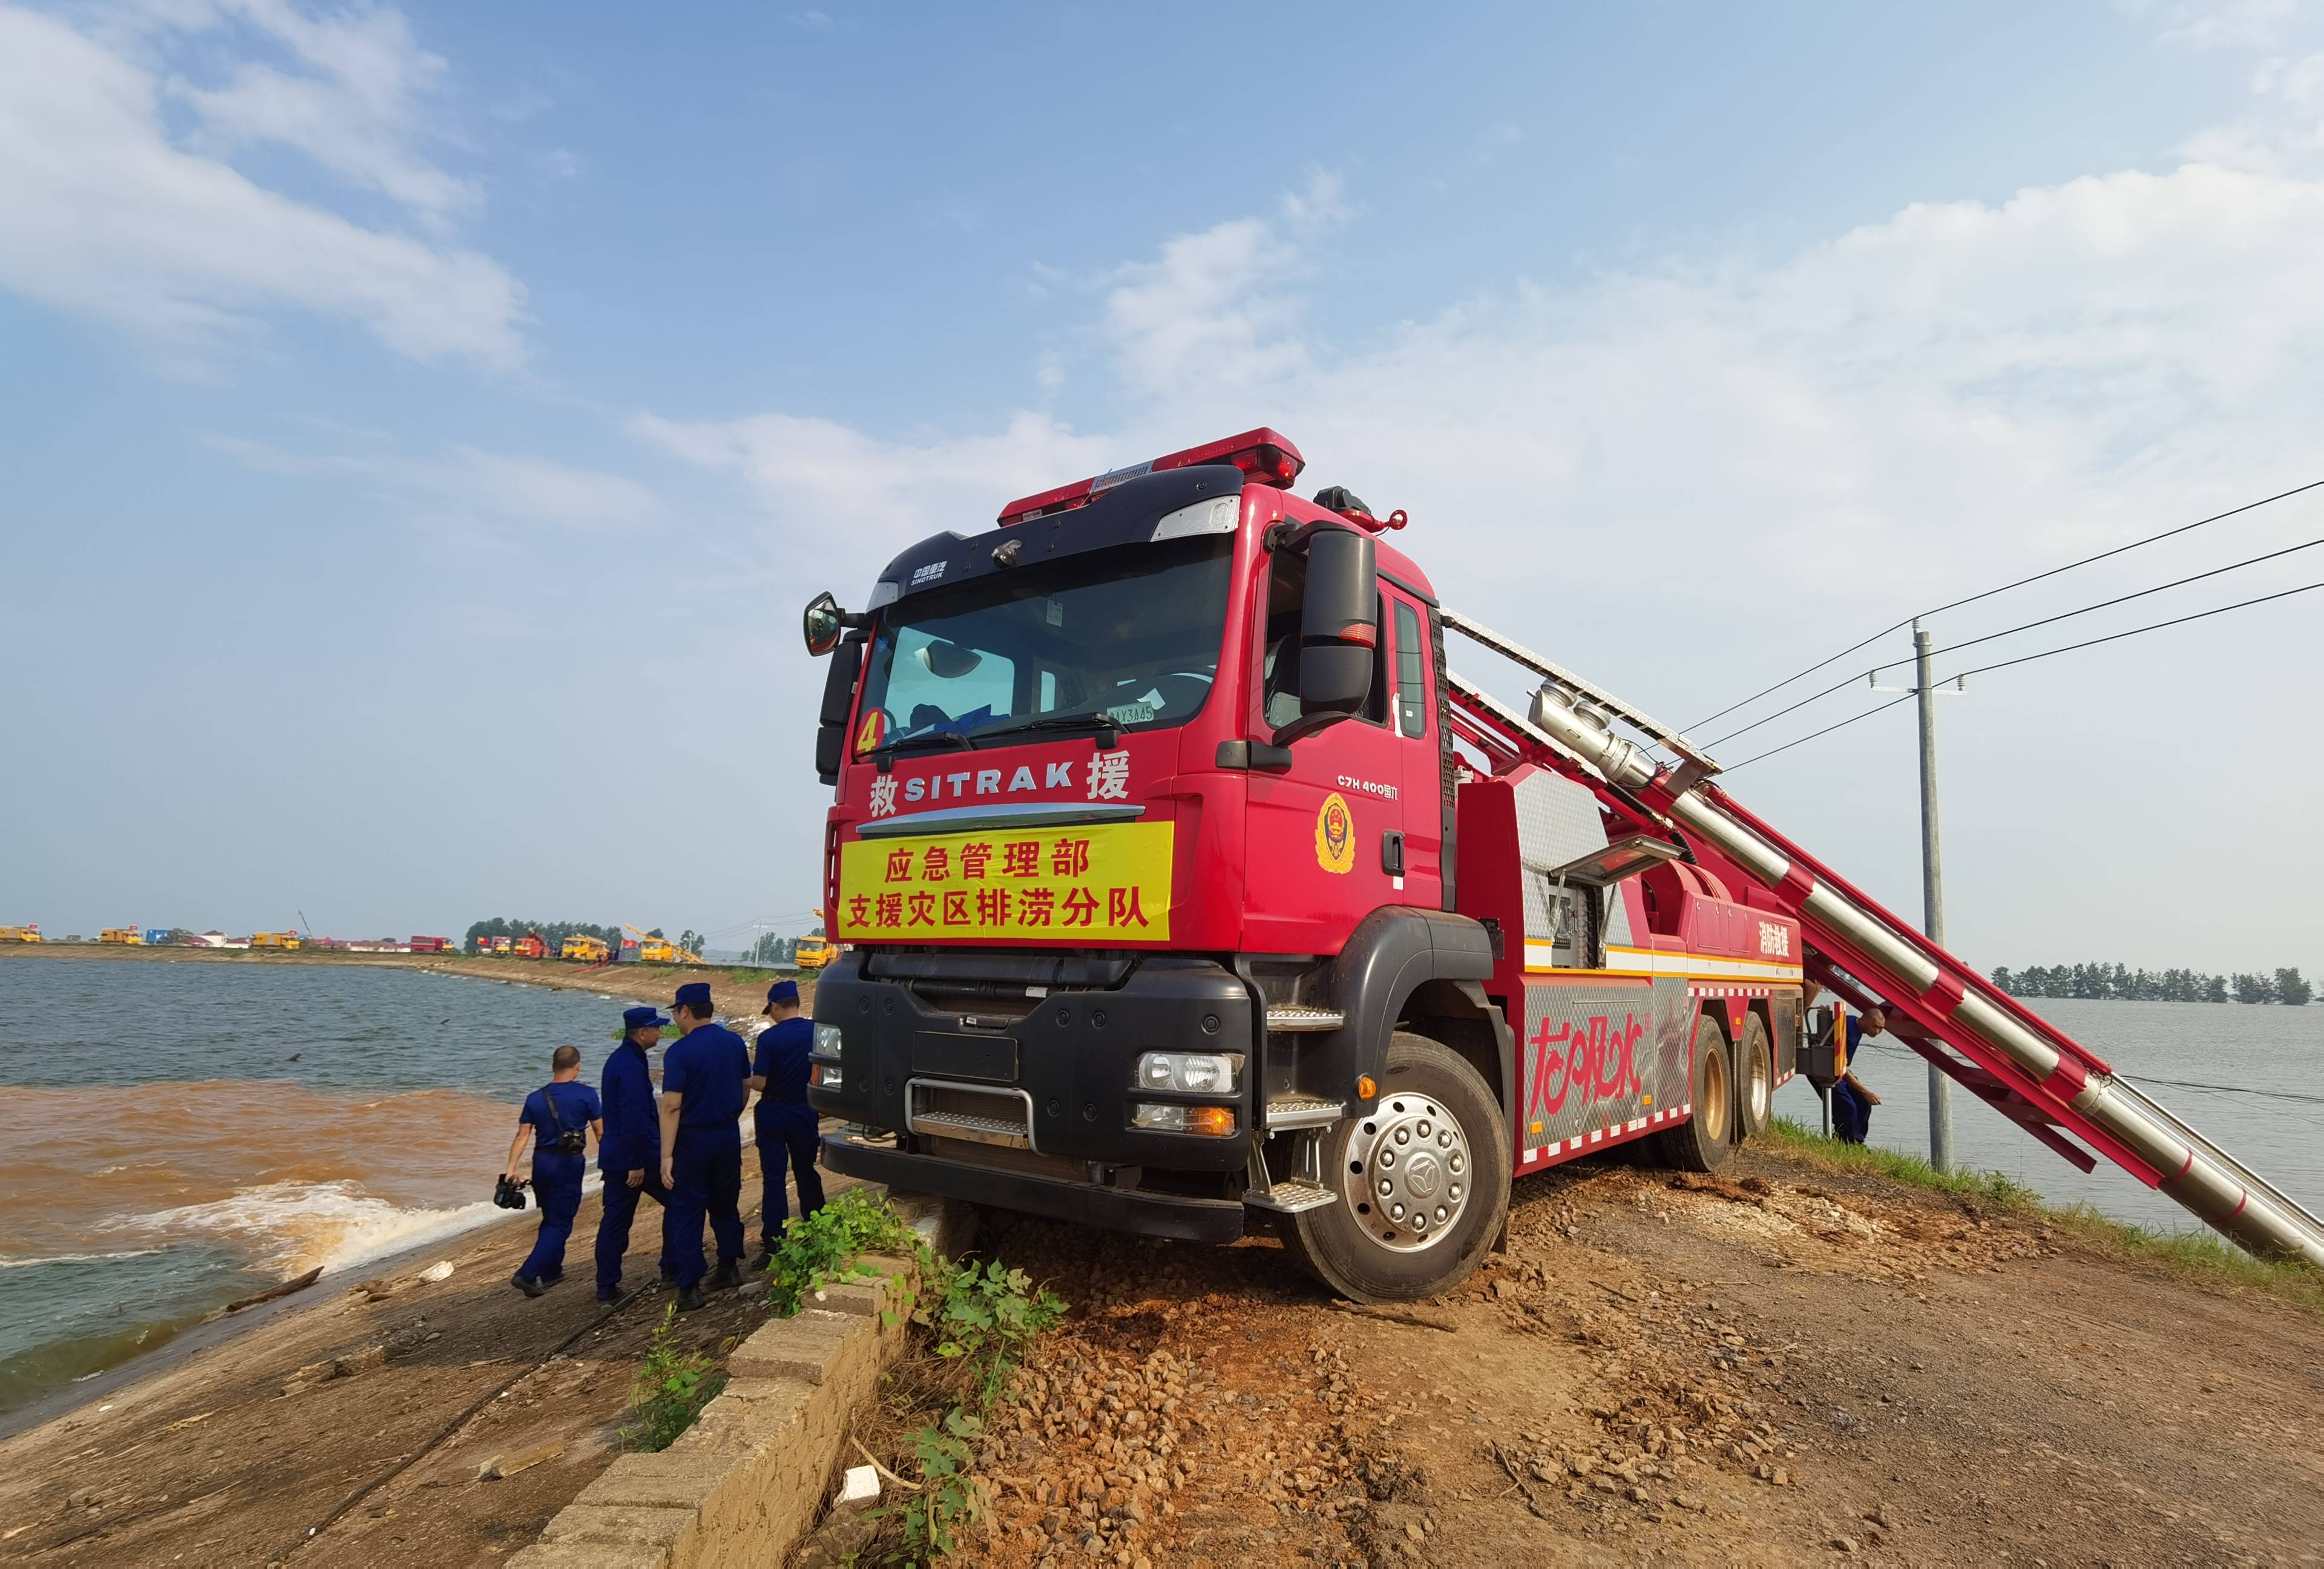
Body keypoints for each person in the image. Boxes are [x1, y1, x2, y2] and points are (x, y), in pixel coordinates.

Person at [658, 981, 750, 1311]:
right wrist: (729, 1118)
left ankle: (689, 1286)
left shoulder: (680, 1052)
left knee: (687, 1209)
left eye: (676, 1013)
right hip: (726, 1136)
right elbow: (744, 1088)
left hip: (691, 1141)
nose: (676, 1021)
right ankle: (728, 1266)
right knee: (726, 1204)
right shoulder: (734, 1043)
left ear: (685, 1011)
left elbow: (671, 1106)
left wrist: (666, 1155)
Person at [502, 1045, 603, 1296]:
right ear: (578, 1066)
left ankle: (551, 1272)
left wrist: (510, 1170)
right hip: (568, 1163)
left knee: (550, 1218)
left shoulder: (535, 1098)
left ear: (553, 1067)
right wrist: (612, 1161)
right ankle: (527, 1274)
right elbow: (601, 1132)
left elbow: (522, 1136)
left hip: (542, 1163)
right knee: (561, 1224)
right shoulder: (587, 1095)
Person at [594, 1005, 677, 1306]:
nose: (660, 1032)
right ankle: (671, 1268)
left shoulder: (627, 1058)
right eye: (656, 1028)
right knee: (677, 1202)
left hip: (620, 1155)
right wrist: (635, 1164)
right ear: (642, 1033)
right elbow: (633, 1118)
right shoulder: (629, 1065)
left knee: (615, 1220)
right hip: (635, 1158)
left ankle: (606, 1287)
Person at [749, 979, 825, 1265]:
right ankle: (818, 1229)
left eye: (771, 1010)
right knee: (806, 1171)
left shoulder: (769, 1039)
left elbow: (760, 1083)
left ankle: (775, 1243)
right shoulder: (816, 1030)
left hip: (774, 1113)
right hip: (805, 1111)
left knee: (774, 1178)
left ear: (777, 1006)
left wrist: (745, 1078)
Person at [1831, 1005, 1888, 1145]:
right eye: (1875, 1026)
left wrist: (1863, 1093)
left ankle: (1857, 1141)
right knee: (1847, 1106)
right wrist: (1865, 1090)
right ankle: (1843, 1142)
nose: (1878, 1031)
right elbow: (1840, 1066)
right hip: (1827, 1071)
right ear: (1863, 1020)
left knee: (1864, 1102)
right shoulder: (1849, 1028)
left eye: (1881, 1028)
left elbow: (1844, 1065)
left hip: (1840, 1071)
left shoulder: (1858, 1029)